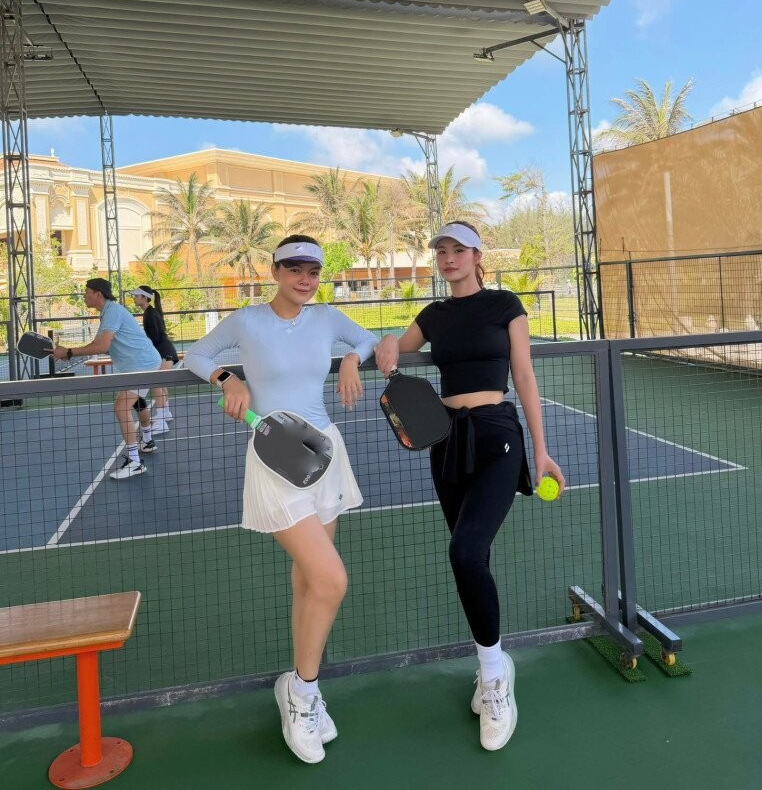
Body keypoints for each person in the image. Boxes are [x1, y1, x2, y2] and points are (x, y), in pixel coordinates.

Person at [184, 235, 376, 765]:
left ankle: (297, 684)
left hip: (324, 451)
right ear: (274, 272)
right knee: (331, 579)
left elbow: (369, 338)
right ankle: (303, 693)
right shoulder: (247, 321)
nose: (305, 279)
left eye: (312, 270)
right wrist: (227, 378)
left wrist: (352, 359)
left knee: (309, 581)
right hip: (275, 457)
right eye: (294, 268)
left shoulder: (327, 318)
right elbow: (195, 354)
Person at [374, 221, 566, 752]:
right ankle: (490, 664)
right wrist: (385, 340)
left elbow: (524, 376)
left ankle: (495, 676)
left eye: (458, 249)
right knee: (469, 559)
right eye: (441, 250)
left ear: (477, 256)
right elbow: (394, 348)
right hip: (447, 442)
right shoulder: (433, 315)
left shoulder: (505, 304)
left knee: (465, 551)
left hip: (498, 435)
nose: (448, 258)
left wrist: (541, 450)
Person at [52, 277, 164, 480]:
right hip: (141, 363)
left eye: (87, 292)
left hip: (142, 364)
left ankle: (135, 462)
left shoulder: (112, 312)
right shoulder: (108, 312)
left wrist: (68, 352)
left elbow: (102, 346)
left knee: (121, 407)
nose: (84, 295)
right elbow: (97, 343)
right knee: (137, 402)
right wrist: (67, 352)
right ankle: (147, 441)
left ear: (98, 294)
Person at [128, 285, 178, 434]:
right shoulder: (149, 312)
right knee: (160, 384)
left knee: (157, 384)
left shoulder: (150, 314)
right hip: (165, 351)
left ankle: (161, 422)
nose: (134, 298)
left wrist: (141, 342)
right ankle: (166, 413)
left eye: (137, 296)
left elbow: (155, 337)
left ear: (145, 298)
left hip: (164, 352)